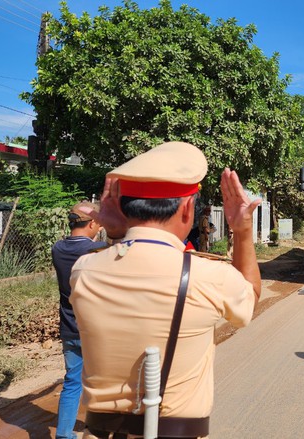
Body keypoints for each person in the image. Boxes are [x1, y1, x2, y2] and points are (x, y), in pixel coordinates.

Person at [70, 141, 261, 439]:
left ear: (122, 208)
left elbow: (122, 259)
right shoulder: (209, 276)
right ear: (187, 208)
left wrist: (117, 232)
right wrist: (244, 232)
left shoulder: (84, 271)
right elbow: (249, 297)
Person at [51, 202, 108, 439]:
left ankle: (64, 434)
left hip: (70, 326)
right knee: (104, 383)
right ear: (92, 224)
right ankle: (98, 430)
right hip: (96, 329)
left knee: (72, 381)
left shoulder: (57, 248)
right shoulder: (98, 251)